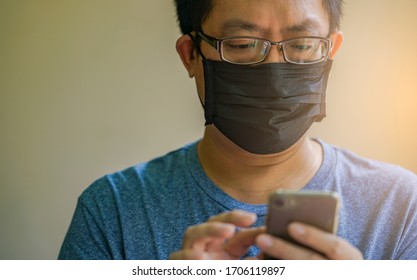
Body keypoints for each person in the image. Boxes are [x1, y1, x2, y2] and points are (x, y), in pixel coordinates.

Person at [58, 0, 417, 260]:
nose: (276, 67)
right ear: (190, 55)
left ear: (330, 51)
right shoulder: (113, 211)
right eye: (243, 45)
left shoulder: (400, 207)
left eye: (302, 45)